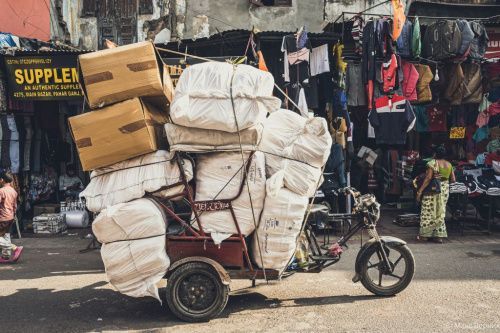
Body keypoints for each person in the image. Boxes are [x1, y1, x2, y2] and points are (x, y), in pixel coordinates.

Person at [416, 145, 456, 243]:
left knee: (428, 211)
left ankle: (425, 236)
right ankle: (438, 237)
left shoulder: (432, 163)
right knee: (440, 212)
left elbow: (428, 178)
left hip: (432, 190)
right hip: (444, 190)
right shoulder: (449, 164)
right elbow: (453, 180)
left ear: (435, 154)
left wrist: (420, 191)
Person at [0, 171, 22, 262]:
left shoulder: (1, 191)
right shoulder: (13, 191)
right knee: (6, 235)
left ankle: (14, 248)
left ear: (2, 180)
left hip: (3, 217)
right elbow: (15, 206)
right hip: (10, 216)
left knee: (3, 235)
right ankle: (5, 256)